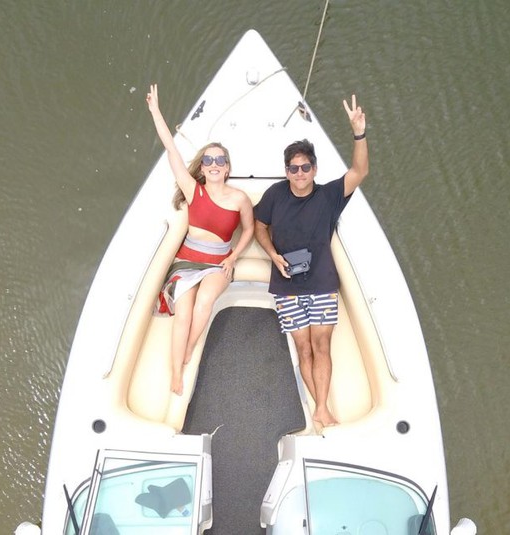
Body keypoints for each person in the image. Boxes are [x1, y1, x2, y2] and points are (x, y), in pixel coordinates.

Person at [253, 95, 369, 427]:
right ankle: (320, 409)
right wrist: (272, 254)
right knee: (303, 348)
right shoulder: (275, 195)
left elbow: (360, 171)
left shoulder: (329, 196)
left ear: (314, 169)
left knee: (322, 344)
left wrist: (358, 133)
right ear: (286, 171)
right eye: (293, 168)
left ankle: (321, 408)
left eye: (305, 167)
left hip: (320, 282)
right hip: (287, 285)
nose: (300, 172)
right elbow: (260, 225)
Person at [146, 84, 254, 396]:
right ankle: (176, 372)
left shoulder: (239, 198)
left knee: (204, 302)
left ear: (228, 167)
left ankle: (190, 350)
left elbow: (247, 230)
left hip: (219, 261)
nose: (214, 165)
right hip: (186, 259)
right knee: (184, 311)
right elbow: (171, 151)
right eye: (208, 161)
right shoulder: (195, 190)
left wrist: (233, 258)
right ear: (203, 168)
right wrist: (155, 111)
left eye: (220, 161)